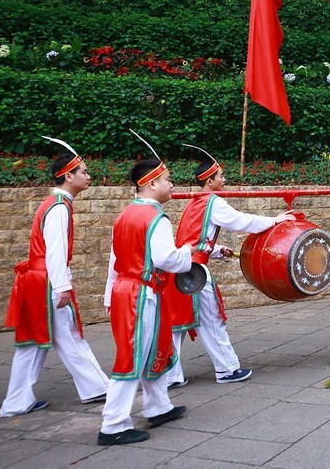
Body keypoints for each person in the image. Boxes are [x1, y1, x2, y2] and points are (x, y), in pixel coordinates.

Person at [162, 149, 295, 386]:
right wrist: (275, 220)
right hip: (195, 272)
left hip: (180, 270)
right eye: (221, 176)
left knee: (178, 324)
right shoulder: (212, 202)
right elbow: (240, 221)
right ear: (209, 180)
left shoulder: (195, 203)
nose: (225, 180)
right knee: (211, 320)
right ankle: (227, 369)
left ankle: (169, 376)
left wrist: (215, 249)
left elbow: (192, 240)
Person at [0, 141, 109, 417]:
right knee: (67, 335)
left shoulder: (55, 203)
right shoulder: (60, 207)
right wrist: (62, 286)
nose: (88, 176)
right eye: (83, 171)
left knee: (35, 341)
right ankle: (97, 387)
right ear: (67, 175)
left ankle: (17, 401)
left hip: (37, 280)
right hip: (46, 281)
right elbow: (55, 252)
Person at [99, 155, 199, 446]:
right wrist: (187, 252)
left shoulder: (125, 215)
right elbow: (166, 259)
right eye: (167, 179)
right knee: (133, 357)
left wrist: (109, 293)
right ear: (151, 182)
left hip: (127, 290)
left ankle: (158, 407)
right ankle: (113, 424)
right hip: (140, 294)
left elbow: (115, 260)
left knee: (151, 348)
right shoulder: (156, 217)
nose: (172, 184)